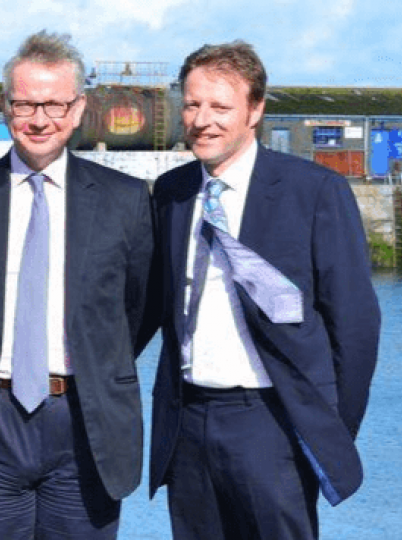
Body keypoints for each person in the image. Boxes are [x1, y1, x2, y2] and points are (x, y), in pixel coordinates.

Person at [0, 30, 154, 539]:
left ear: (78, 108)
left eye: (54, 104)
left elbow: (137, 311)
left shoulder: (126, 202)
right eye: (25, 104)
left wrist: (90, 361)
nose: (40, 119)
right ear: (4, 106)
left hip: (87, 426)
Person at [146, 41, 381, 539]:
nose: (202, 119)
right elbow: (146, 309)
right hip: (187, 424)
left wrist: (329, 429)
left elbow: (355, 325)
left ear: (255, 110)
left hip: (272, 423)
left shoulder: (315, 192)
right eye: (192, 104)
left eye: (220, 106)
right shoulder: (170, 193)